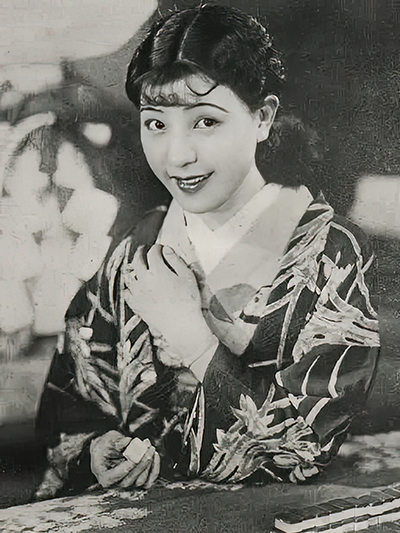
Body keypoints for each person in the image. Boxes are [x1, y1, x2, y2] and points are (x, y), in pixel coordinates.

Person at [35, 4, 380, 500]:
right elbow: (72, 399)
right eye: (156, 124)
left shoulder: (330, 252)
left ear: (263, 118)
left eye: (205, 122)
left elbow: (307, 446)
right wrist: (96, 449)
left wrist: (193, 339)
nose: (177, 155)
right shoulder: (137, 245)